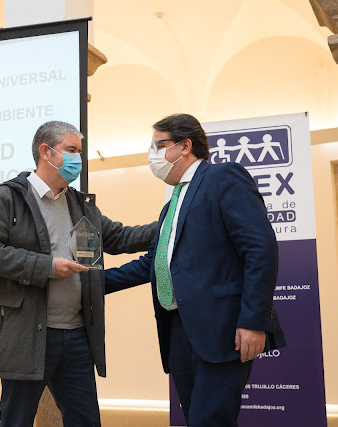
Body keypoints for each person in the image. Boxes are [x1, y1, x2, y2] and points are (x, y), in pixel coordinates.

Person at [0, 120, 157, 426]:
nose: (77, 160)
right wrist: (47, 267)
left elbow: (120, 238)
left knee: (85, 420)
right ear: (46, 152)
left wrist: (171, 222)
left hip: (77, 335)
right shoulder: (7, 199)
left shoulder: (80, 204)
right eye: (71, 150)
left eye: (79, 152)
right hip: (27, 335)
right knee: (17, 420)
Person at [105, 114, 285, 427]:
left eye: (158, 145)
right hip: (180, 328)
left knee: (210, 420)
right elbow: (155, 262)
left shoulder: (223, 177)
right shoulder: (172, 202)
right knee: (196, 419)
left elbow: (260, 248)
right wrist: (89, 282)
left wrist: (253, 321)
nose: (153, 155)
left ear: (185, 146)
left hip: (224, 328)